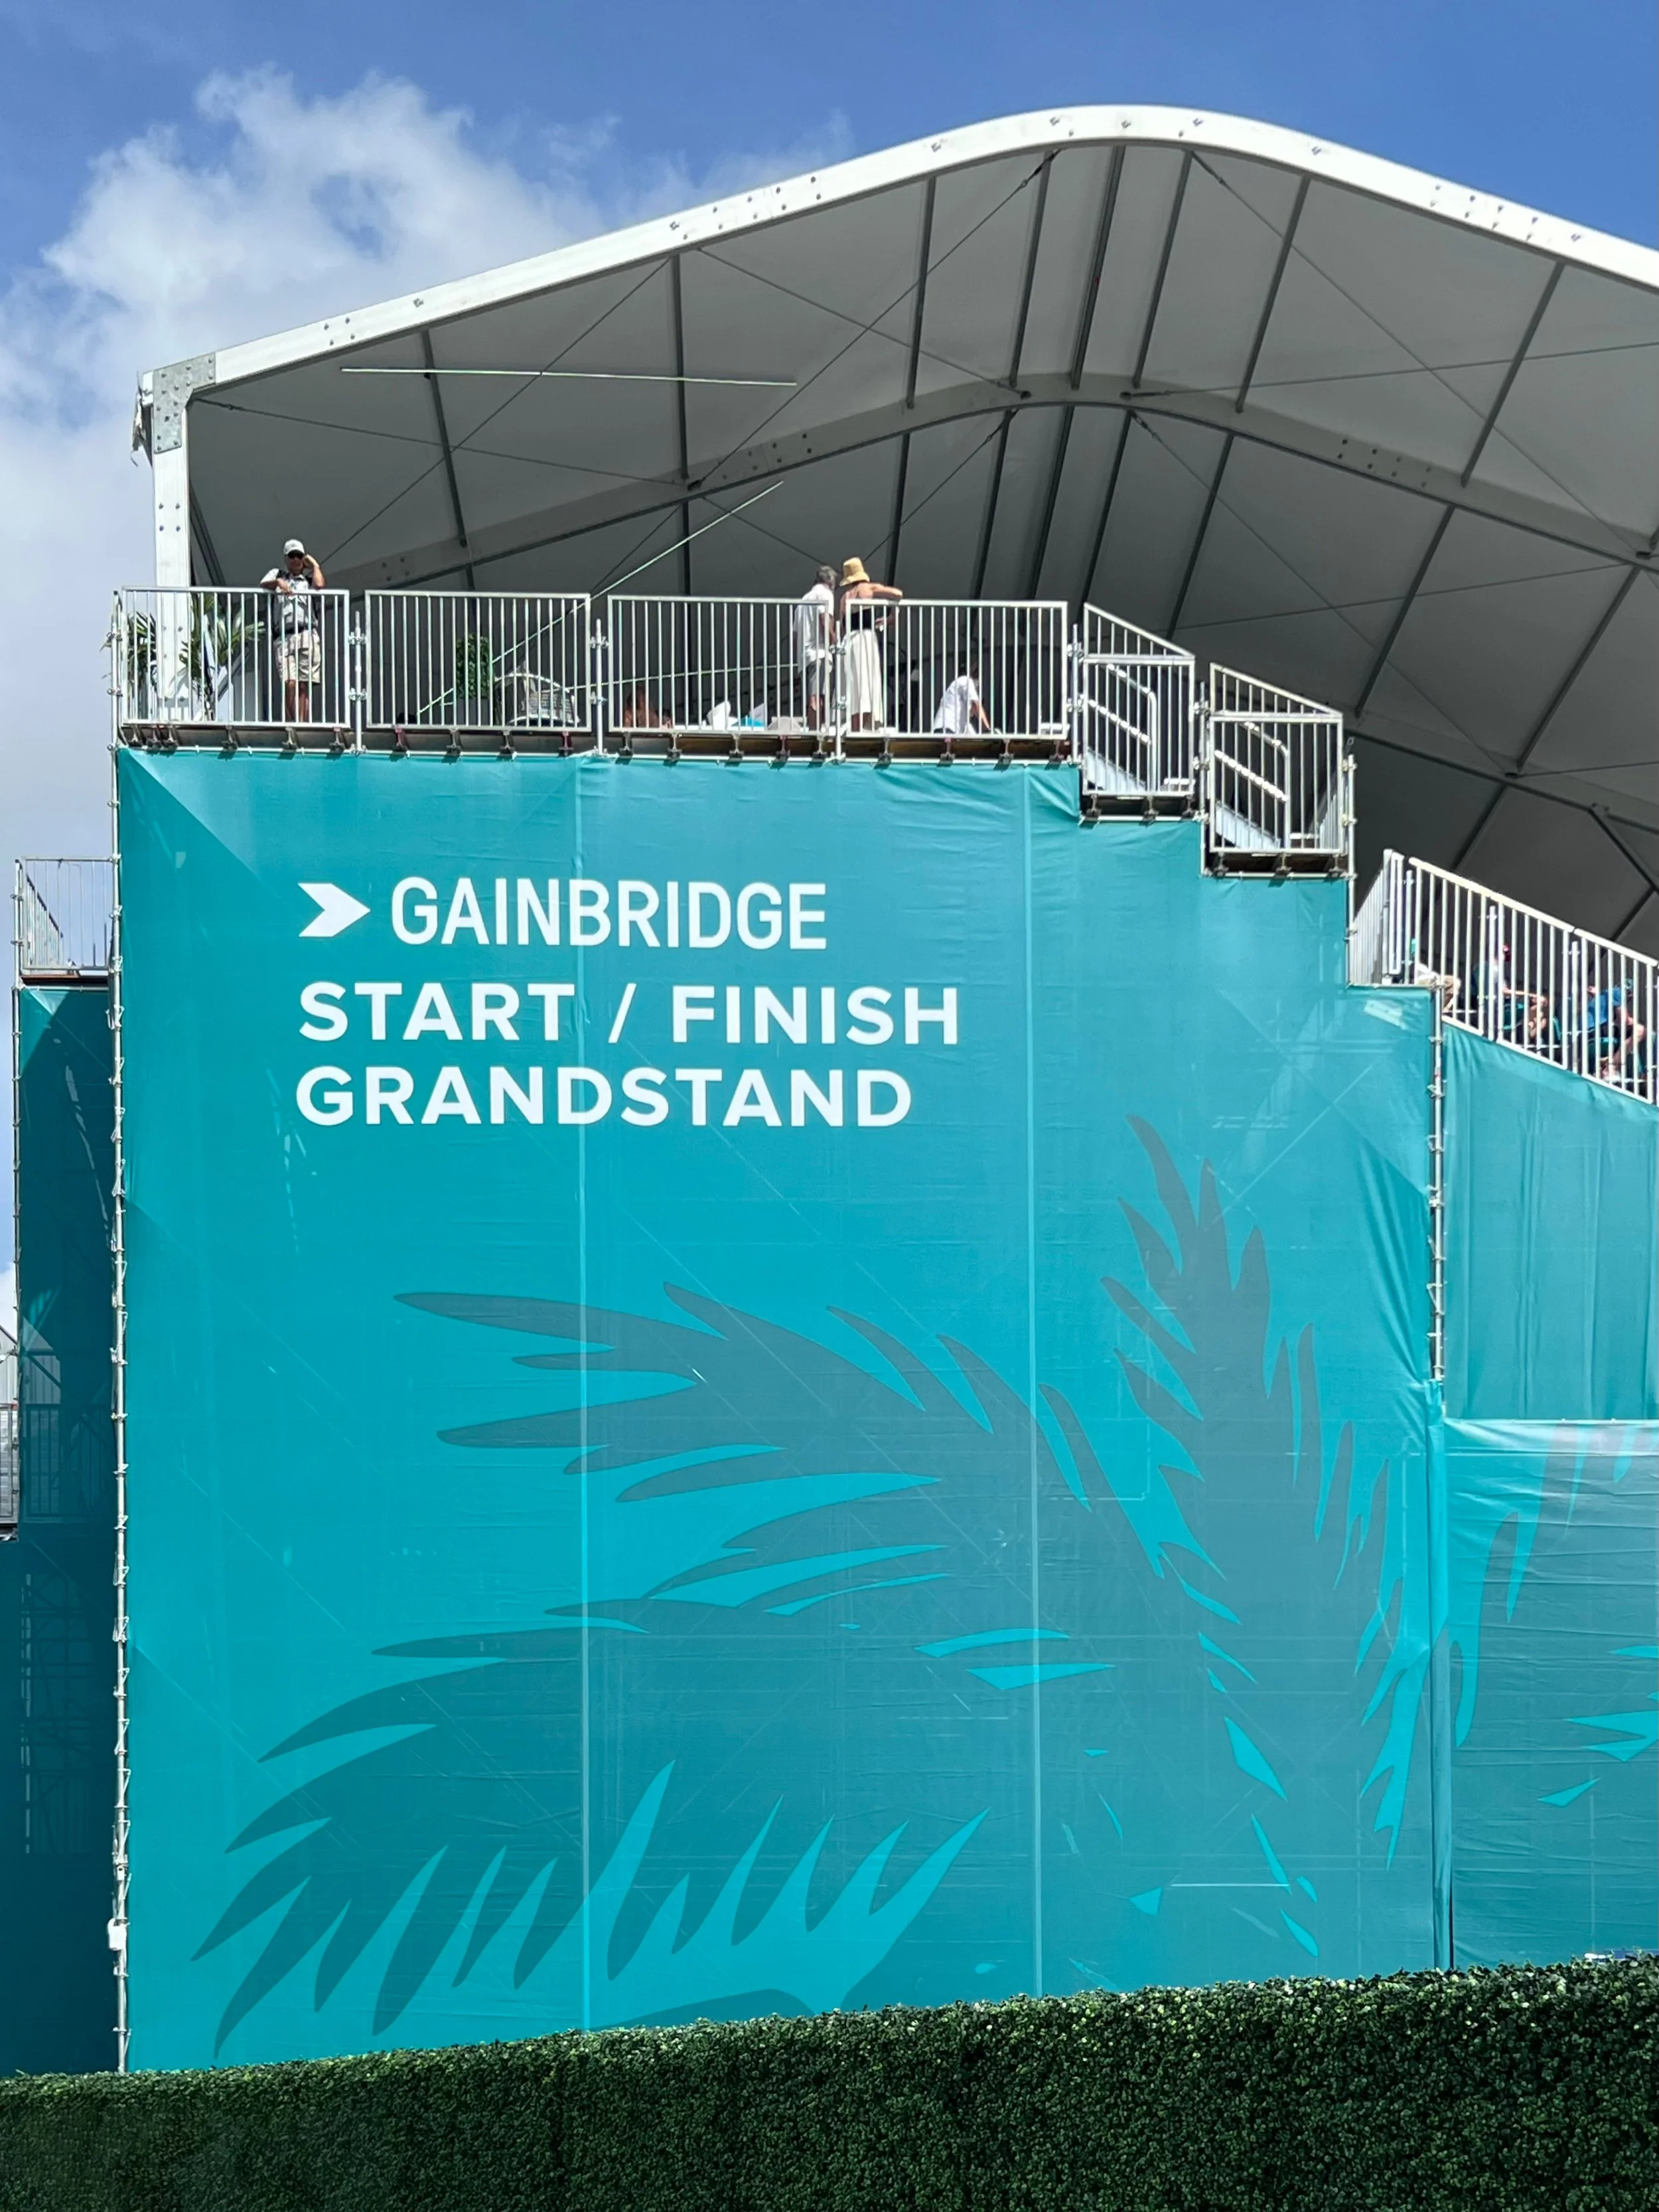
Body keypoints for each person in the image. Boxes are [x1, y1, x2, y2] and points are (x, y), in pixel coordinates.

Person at [260, 539, 325, 721]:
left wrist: (314, 565)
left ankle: (302, 724)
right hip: (285, 636)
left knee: (304, 685)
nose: (296, 559)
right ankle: (295, 721)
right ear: (286, 559)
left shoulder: (309, 580)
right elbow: (263, 584)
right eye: (292, 556)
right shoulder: (277, 574)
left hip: (307, 633)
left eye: (299, 556)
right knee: (290, 683)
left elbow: (320, 585)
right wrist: (279, 583)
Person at [837, 557, 902, 733]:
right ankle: (861, 730)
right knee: (867, 685)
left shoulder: (844, 598)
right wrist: (891, 617)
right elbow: (898, 594)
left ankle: (854, 728)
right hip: (865, 640)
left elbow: (843, 626)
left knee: (853, 687)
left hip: (849, 641)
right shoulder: (868, 588)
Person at [792, 566, 838, 731]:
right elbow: (825, 620)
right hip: (819, 653)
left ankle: (816, 731)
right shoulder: (825, 595)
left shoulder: (803, 600)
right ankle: (817, 735)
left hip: (804, 657)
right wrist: (834, 640)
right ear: (830, 582)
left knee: (813, 697)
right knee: (818, 697)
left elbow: (795, 635)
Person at [933, 660, 991, 739]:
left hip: (948, 730)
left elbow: (969, 729)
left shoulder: (963, 702)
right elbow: (976, 705)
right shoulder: (966, 681)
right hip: (946, 729)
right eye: (976, 672)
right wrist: (988, 730)